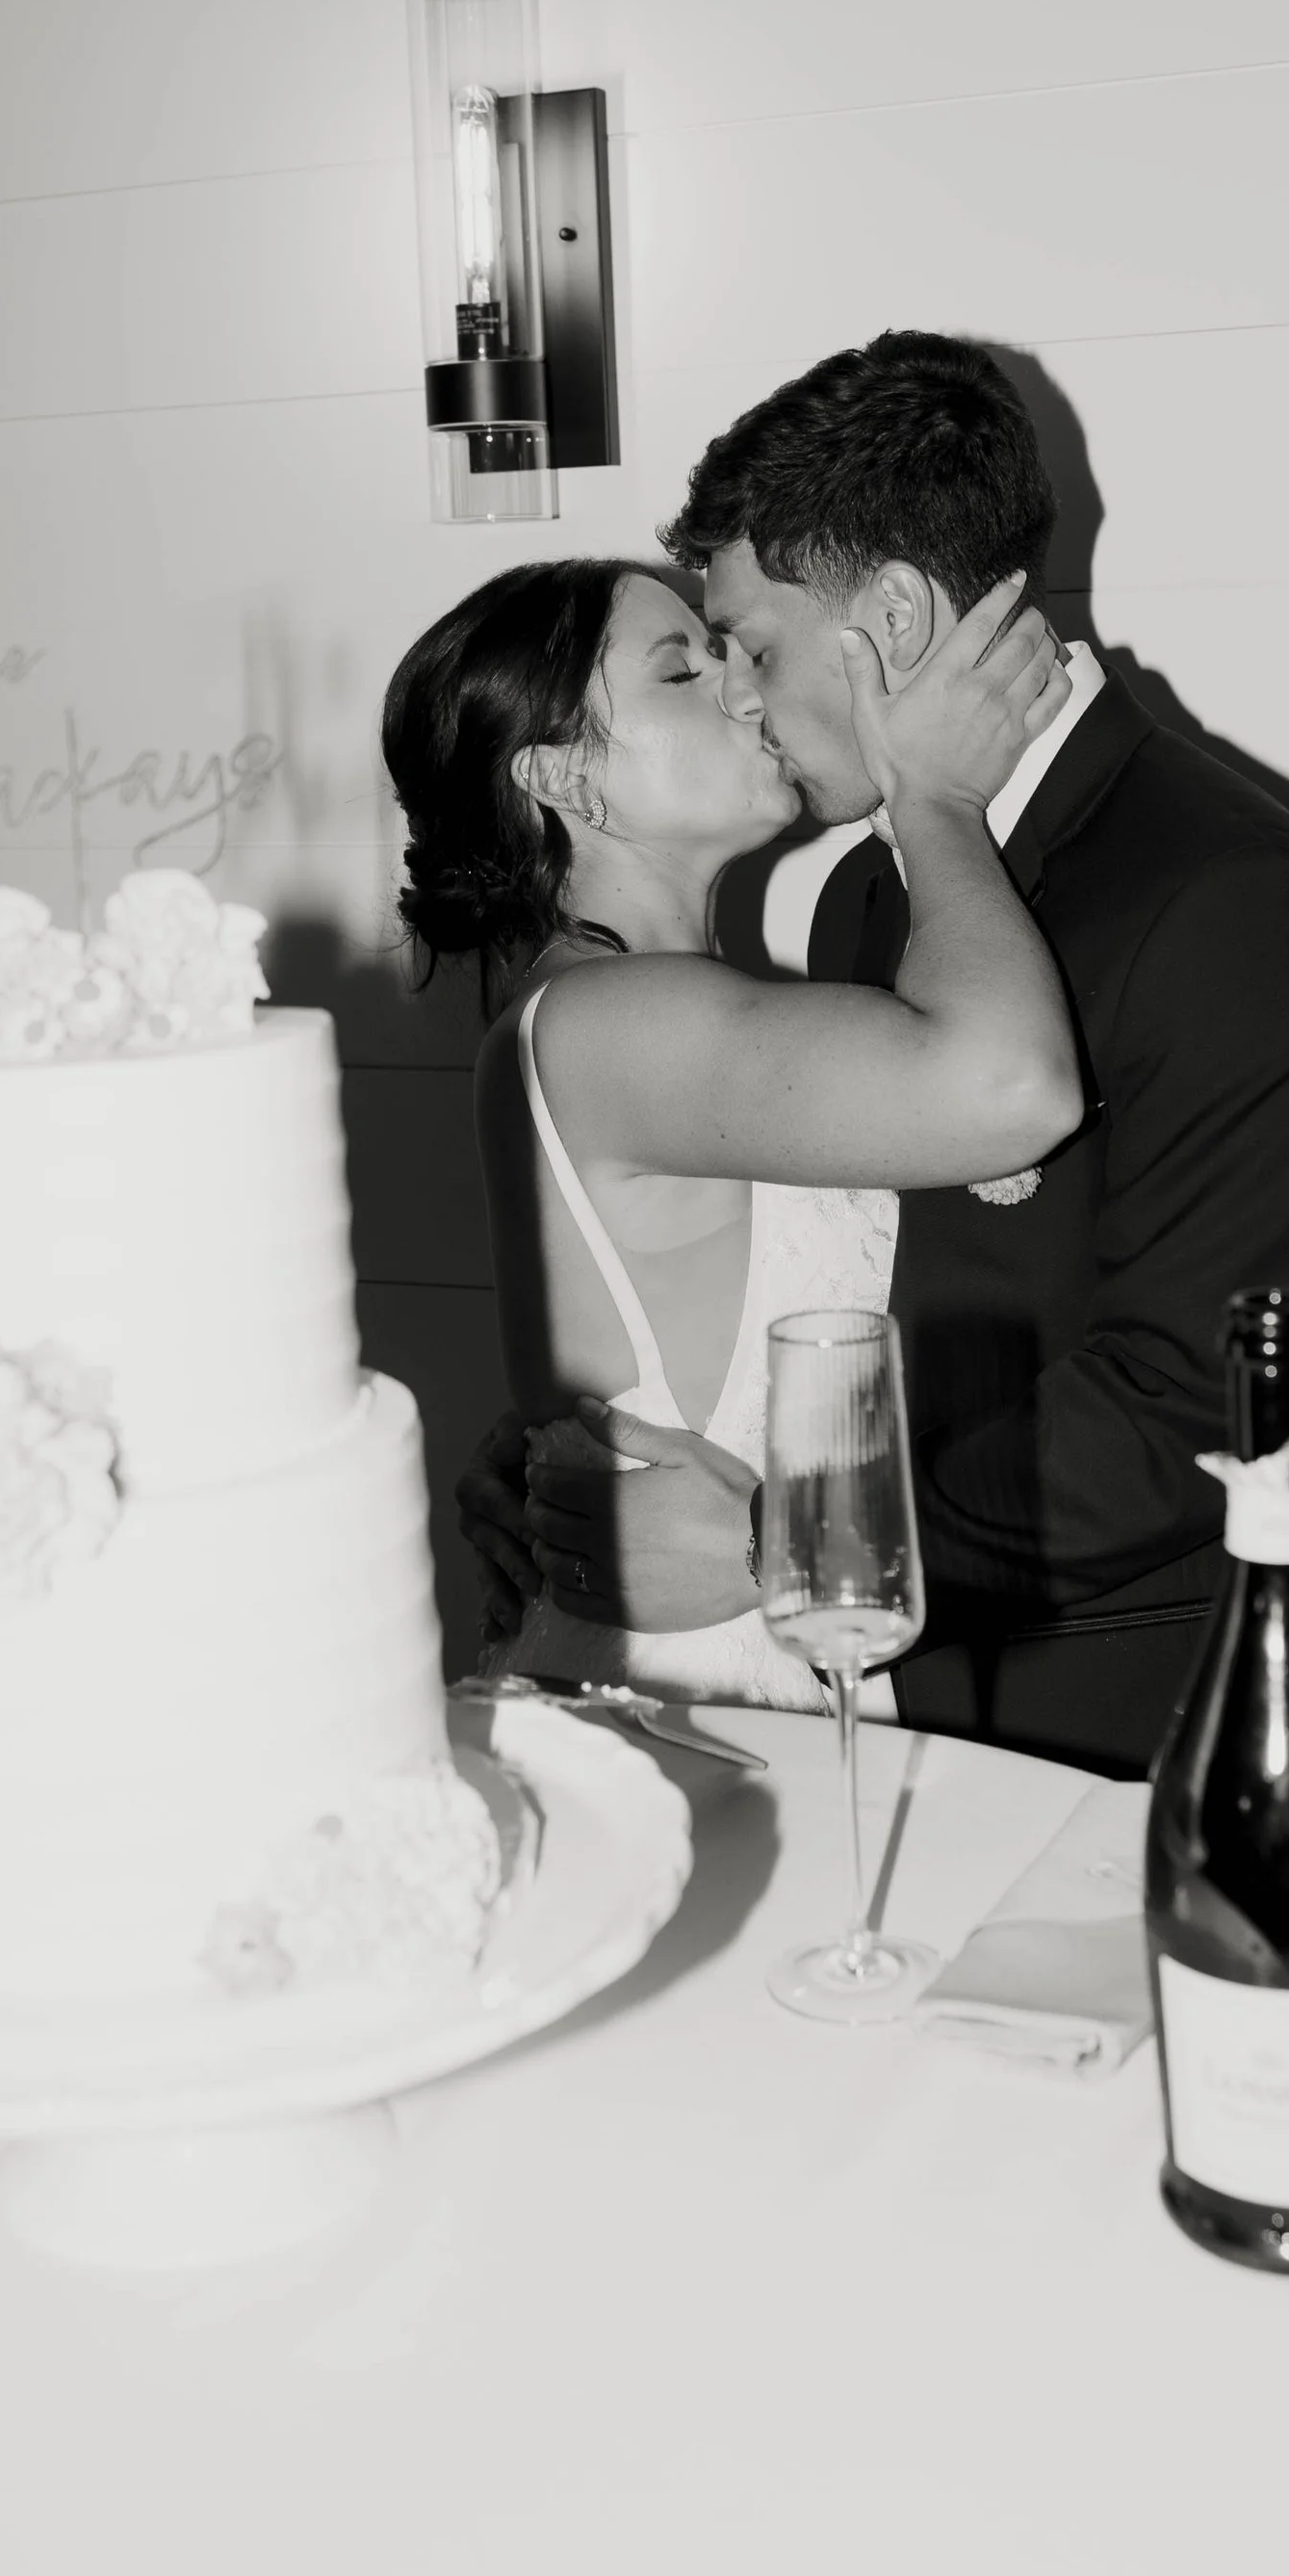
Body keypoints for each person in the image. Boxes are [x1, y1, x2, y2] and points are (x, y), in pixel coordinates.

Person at [461, 331, 1289, 1805]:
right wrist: (561, 1460)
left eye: (754, 646)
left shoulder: (1235, 899)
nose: (743, 695)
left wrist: (779, 1545)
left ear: (897, 616)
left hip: (1156, 1743)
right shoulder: (882, 893)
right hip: (889, 1729)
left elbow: (1193, 1410)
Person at [381, 550, 1083, 1708]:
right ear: (562, 775)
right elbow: (1014, 1091)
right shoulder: (607, 1019)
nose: (746, 691)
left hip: (765, 1649)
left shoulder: (647, 1010)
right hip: (705, 1696)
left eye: (727, 654)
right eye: (682, 672)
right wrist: (935, 800)